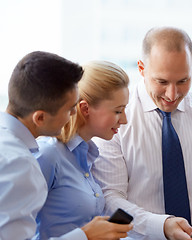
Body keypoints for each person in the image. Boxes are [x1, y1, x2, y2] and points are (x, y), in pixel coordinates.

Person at [91, 26, 192, 240]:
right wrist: (162, 226)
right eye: (162, 82)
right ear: (141, 68)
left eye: (183, 81)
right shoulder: (116, 120)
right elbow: (110, 198)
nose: (172, 94)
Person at [33, 61, 133, 239]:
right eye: (118, 111)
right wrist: (85, 236)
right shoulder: (47, 155)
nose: (124, 120)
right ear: (85, 108)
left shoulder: (87, 157)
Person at [0, 51, 82, 239]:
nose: (73, 115)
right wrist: (85, 236)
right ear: (40, 117)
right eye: (70, 109)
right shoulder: (19, 164)